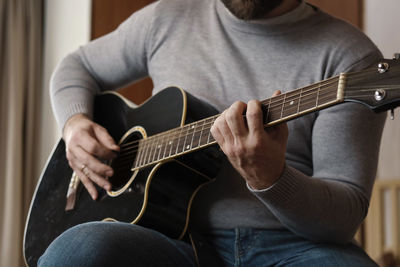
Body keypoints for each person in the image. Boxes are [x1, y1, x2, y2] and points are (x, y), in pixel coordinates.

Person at [38, 0, 386, 266]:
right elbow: (76, 66)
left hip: (295, 246)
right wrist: (75, 124)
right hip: (174, 238)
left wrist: (272, 179)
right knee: (73, 251)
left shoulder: (350, 58)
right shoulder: (168, 17)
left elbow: (344, 214)